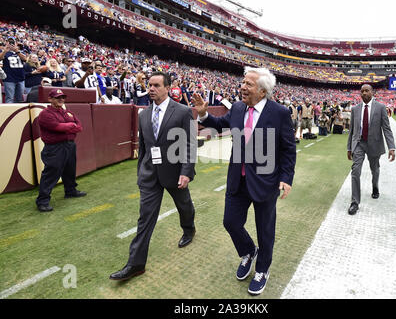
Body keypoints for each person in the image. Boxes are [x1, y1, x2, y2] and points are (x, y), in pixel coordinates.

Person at [192, 67, 296, 295]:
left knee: (265, 230)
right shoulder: (238, 108)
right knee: (230, 222)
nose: (242, 87)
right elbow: (220, 126)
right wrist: (204, 115)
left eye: (248, 84)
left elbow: (289, 150)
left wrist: (286, 178)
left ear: (262, 91)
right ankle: (249, 251)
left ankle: (262, 269)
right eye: (242, 83)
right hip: (237, 180)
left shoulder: (279, 113)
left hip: (265, 183)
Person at [110, 72, 197, 281]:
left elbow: (189, 144)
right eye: (149, 85)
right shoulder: (143, 114)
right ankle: (136, 264)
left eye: (156, 85)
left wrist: (186, 172)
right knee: (145, 218)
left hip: (175, 173)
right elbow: (144, 147)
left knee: (184, 206)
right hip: (150, 175)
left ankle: (189, 229)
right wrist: (141, 171)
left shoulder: (183, 111)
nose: (151, 89)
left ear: (167, 88)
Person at [347, 84, 396, 216]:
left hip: (374, 144)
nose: (364, 93)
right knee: (355, 171)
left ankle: (375, 186)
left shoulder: (380, 108)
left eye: (367, 91)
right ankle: (355, 202)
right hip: (359, 143)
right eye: (362, 91)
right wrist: (349, 148)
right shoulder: (355, 109)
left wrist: (391, 147)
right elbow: (351, 131)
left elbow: (386, 128)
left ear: (372, 92)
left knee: (375, 169)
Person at [35, 89, 87, 212]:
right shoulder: (45, 113)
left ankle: (70, 191)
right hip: (54, 147)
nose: (61, 100)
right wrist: (71, 126)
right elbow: (57, 127)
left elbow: (79, 127)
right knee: (51, 174)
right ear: (50, 99)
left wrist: (70, 126)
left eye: (62, 97)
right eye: (57, 97)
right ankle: (42, 201)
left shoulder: (67, 112)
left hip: (69, 145)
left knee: (70, 170)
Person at [0, 37, 27, 103]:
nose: (11, 44)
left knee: (20, 98)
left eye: (13, 42)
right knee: (9, 98)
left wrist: (17, 51)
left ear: (16, 43)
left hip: (20, 78)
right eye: (9, 42)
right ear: (6, 43)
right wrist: (5, 50)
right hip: (9, 79)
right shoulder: (4, 52)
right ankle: (9, 113)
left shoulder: (20, 52)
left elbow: (25, 59)